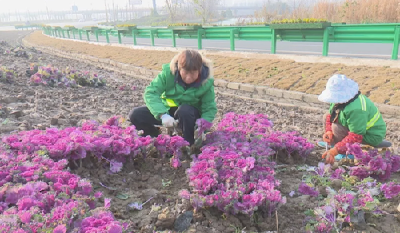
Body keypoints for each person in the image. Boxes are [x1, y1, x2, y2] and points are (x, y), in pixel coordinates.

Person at [128, 50, 217, 145]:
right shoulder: (168, 74)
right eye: (185, 73)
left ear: (199, 70)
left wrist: (202, 126)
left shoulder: (206, 82)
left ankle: (188, 144)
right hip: (169, 112)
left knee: (185, 110)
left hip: (190, 116)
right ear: (179, 68)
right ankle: (153, 134)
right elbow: (151, 92)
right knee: (136, 114)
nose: (189, 78)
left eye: (193, 73)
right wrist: (162, 114)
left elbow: (209, 107)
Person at [317, 74, 390, 164]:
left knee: (336, 127)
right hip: (357, 127)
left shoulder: (356, 109)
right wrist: (328, 131)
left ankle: (348, 152)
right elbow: (331, 115)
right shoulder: (340, 101)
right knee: (326, 117)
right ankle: (334, 144)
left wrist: (335, 150)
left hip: (370, 135)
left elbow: (355, 136)